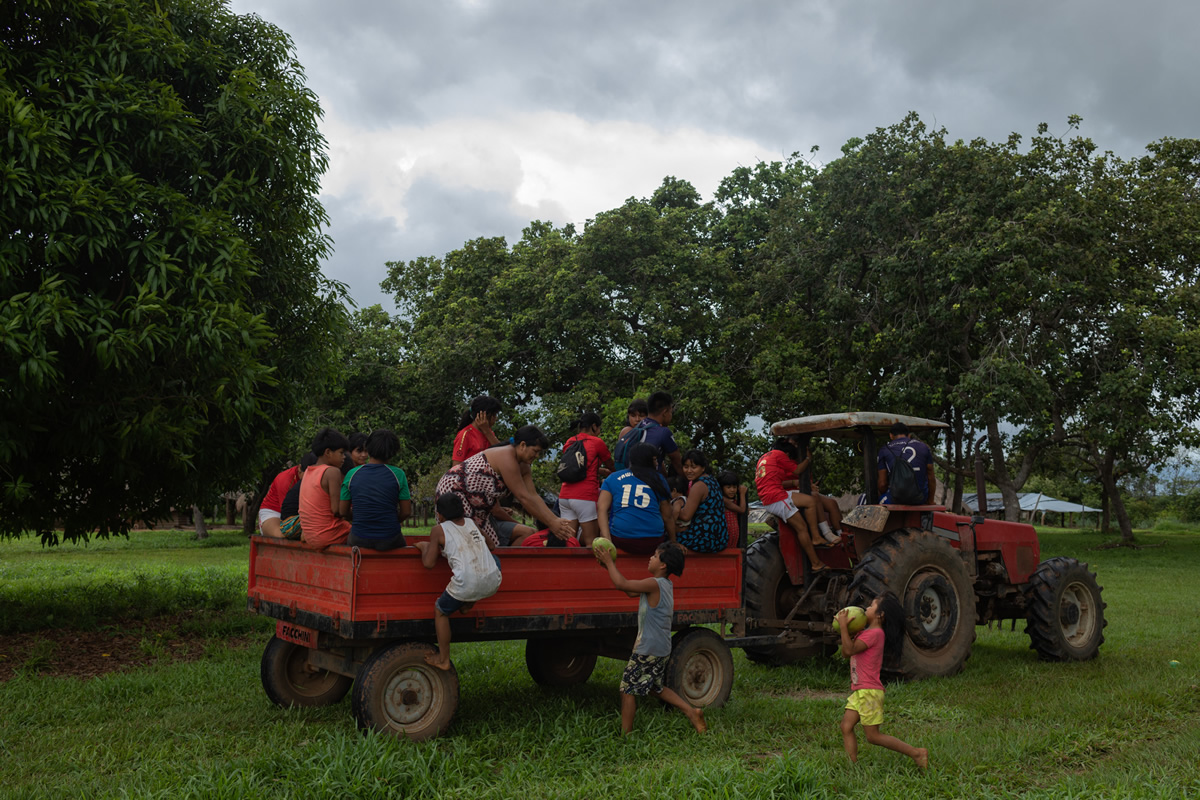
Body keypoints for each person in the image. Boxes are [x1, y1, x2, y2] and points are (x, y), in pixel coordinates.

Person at [594, 541, 706, 735]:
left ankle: (625, 736)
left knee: (627, 689)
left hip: (649, 648)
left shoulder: (654, 584)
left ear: (663, 565)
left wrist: (610, 563)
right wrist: (607, 566)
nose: (650, 558)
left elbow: (622, 584)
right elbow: (629, 591)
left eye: (655, 556)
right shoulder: (664, 584)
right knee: (655, 687)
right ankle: (692, 712)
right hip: (659, 646)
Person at [436, 425, 573, 548]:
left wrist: (555, 520)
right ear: (523, 445)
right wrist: (551, 523)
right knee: (470, 542)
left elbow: (533, 495)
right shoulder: (507, 456)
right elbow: (523, 497)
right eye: (535, 451)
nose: (537, 456)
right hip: (455, 492)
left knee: (490, 544)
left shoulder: (524, 466)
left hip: (478, 506)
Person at [837, 593, 928, 769]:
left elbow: (848, 651)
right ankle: (852, 767)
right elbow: (845, 652)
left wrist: (842, 627)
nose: (866, 609)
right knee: (846, 726)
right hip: (860, 691)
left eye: (871, 606)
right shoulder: (867, 633)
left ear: (880, 615)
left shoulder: (875, 634)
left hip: (869, 692)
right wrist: (849, 632)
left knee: (873, 736)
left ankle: (917, 753)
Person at [419, 494, 502, 671]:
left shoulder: (439, 530)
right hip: (493, 581)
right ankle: (467, 603)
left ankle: (443, 659)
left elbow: (429, 563)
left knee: (441, 611)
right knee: (494, 560)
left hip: (467, 583)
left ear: (439, 514)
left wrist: (424, 547)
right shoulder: (471, 522)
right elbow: (492, 547)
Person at [755, 438, 827, 571]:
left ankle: (816, 537)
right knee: (802, 528)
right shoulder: (780, 455)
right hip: (776, 497)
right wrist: (808, 459)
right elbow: (798, 470)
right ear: (787, 452)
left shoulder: (764, 457)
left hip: (772, 494)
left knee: (810, 501)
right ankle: (816, 563)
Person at [339, 429, 412, 551]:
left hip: (358, 538)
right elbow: (406, 512)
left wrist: (360, 518)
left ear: (368, 448)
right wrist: (390, 521)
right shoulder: (398, 474)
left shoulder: (352, 474)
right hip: (390, 538)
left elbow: (342, 511)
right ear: (393, 452)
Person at [598, 442, 675, 554]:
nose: (657, 463)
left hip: (622, 539)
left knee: (605, 529)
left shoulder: (613, 478)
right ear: (649, 461)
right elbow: (667, 516)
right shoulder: (659, 479)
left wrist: (607, 540)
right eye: (655, 460)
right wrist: (673, 542)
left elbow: (601, 509)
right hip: (653, 540)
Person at [557, 412, 615, 546]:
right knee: (591, 543)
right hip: (585, 497)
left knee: (569, 542)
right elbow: (611, 464)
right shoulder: (597, 442)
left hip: (565, 496)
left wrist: (599, 470)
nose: (599, 432)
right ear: (594, 426)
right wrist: (614, 473)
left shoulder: (570, 441)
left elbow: (577, 466)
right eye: (599, 428)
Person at [299, 428, 352, 548]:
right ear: (328, 452)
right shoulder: (332, 472)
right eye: (341, 453)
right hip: (327, 534)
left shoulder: (308, 471)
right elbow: (337, 510)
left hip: (309, 535)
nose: (344, 457)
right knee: (362, 533)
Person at [613, 391, 682, 475]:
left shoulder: (638, 426)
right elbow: (677, 463)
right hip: (647, 480)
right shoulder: (664, 432)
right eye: (670, 412)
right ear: (665, 413)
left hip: (627, 477)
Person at [789, 434, 842, 543]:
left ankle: (842, 534)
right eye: (794, 444)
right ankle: (826, 533)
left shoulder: (802, 461)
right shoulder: (784, 461)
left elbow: (807, 479)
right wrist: (799, 483)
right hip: (790, 493)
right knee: (814, 497)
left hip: (802, 490)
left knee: (832, 503)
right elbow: (780, 482)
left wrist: (811, 485)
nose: (796, 447)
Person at [675, 449, 729, 553]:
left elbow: (686, 516)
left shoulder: (699, 485)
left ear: (703, 468)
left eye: (693, 467)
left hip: (704, 539)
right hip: (720, 537)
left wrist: (675, 505)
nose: (689, 470)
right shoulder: (712, 480)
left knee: (665, 536)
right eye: (686, 467)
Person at [876, 422, 936, 504]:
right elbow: (931, 477)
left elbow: (882, 484)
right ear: (909, 435)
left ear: (891, 435)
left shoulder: (884, 450)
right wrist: (930, 501)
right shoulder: (923, 447)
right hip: (920, 498)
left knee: (878, 500)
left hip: (895, 499)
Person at [258, 454, 311, 538]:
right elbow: (286, 514)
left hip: (299, 513)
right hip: (275, 512)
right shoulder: (285, 480)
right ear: (300, 469)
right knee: (283, 534)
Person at [452, 395, 502, 465]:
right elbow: (456, 467)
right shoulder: (465, 435)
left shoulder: (489, 432)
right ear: (483, 415)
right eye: (493, 415)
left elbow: (501, 453)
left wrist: (487, 431)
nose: (495, 418)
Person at [717, 470, 747, 549]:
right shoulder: (723, 500)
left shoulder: (733, 501)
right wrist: (742, 494)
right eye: (728, 487)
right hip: (726, 533)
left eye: (734, 487)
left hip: (734, 533)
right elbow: (742, 510)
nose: (732, 490)